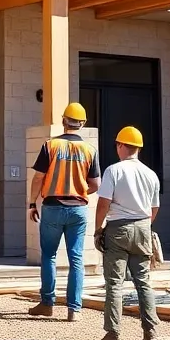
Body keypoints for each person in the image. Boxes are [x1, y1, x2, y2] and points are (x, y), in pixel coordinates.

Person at [26, 102, 100, 321]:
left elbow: (38, 177)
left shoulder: (50, 146)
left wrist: (32, 203)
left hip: (53, 207)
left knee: (49, 255)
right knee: (76, 258)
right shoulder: (89, 150)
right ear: (83, 123)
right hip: (78, 209)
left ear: (63, 121)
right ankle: (73, 309)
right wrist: (79, 190)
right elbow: (95, 184)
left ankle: (47, 303)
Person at [90, 126, 161, 340]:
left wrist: (98, 229)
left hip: (118, 229)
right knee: (143, 282)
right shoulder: (151, 174)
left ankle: (112, 335)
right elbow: (154, 208)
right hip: (142, 227)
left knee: (114, 283)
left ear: (121, 146)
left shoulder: (114, 170)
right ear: (138, 148)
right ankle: (150, 334)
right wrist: (143, 226)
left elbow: (103, 203)